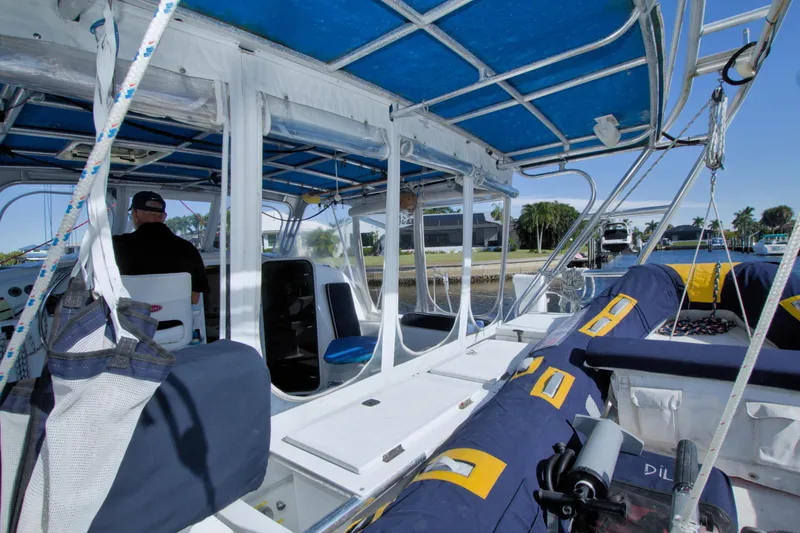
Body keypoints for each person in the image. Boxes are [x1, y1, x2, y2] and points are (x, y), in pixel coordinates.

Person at [113, 191, 209, 305]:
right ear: (164, 217)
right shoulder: (188, 249)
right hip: (177, 321)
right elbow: (194, 299)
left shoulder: (116, 246)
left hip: (131, 321)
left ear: (134, 214)